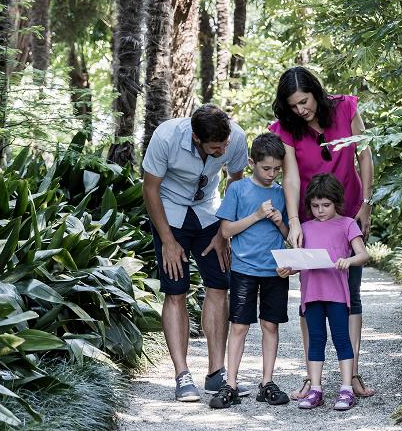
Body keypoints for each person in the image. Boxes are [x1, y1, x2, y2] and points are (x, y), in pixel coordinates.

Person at [269, 66, 375, 399]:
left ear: (315, 91)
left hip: (349, 212)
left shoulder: (346, 107)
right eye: (293, 106)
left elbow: (365, 154)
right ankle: (310, 375)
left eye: (304, 101)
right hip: (309, 219)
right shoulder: (287, 129)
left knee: (350, 294)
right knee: (311, 297)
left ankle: (352, 374)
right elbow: (291, 178)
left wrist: (367, 203)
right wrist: (294, 221)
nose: (301, 110)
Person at [142, 104, 250, 402]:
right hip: (170, 212)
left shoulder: (235, 138)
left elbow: (236, 183)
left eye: (225, 144)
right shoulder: (165, 137)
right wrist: (168, 241)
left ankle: (217, 374)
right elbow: (150, 188)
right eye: (217, 147)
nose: (223, 149)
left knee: (219, 286)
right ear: (195, 138)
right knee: (175, 291)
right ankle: (182, 374)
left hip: (210, 212)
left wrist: (223, 231)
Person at [210, 133, 291, 409]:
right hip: (244, 269)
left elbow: (292, 238)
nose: (271, 174)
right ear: (252, 162)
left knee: (271, 325)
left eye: (277, 169)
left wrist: (281, 223)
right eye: (266, 168)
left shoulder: (282, 193)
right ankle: (230, 384)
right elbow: (226, 230)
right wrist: (256, 215)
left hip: (274, 271)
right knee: (240, 326)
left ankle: (267, 382)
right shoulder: (237, 189)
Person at [278, 173, 369, 410]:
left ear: (336, 202)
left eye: (326, 205)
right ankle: (316, 389)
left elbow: (363, 254)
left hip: (338, 295)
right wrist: (289, 269)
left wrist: (348, 261)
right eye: (315, 205)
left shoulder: (347, 223)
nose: (320, 210)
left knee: (342, 339)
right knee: (315, 340)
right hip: (311, 296)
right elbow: (301, 262)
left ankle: (346, 389)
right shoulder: (305, 228)